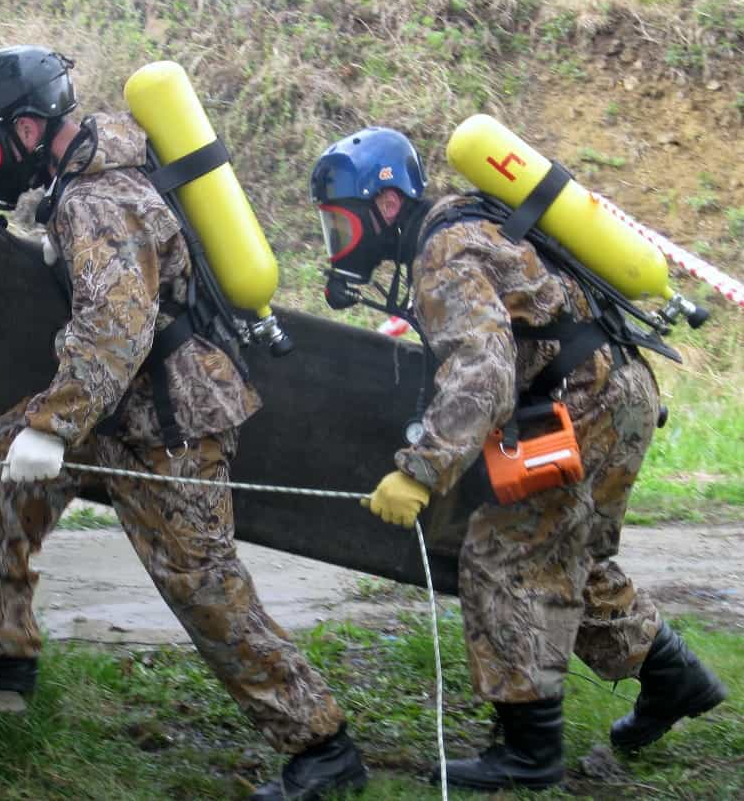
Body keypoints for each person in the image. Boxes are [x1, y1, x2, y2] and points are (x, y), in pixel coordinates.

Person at [0, 45, 369, 800]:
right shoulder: (84, 180)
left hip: (169, 418)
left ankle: (322, 743)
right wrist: (48, 427)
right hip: (118, 404)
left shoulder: (99, 199)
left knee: (201, 582)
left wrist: (52, 427)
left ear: (28, 131)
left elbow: (115, 331)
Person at [309, 126, 727, 791]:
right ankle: (675, 681)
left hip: (586, 403)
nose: (341, 241)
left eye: (343, 222)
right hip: (612, 394)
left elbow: (483, 374)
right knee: (562, 556)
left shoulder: (442, 251)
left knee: (503, 559)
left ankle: (527, 751)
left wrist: (419, 469)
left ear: (386, 205)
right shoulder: (462, 224)